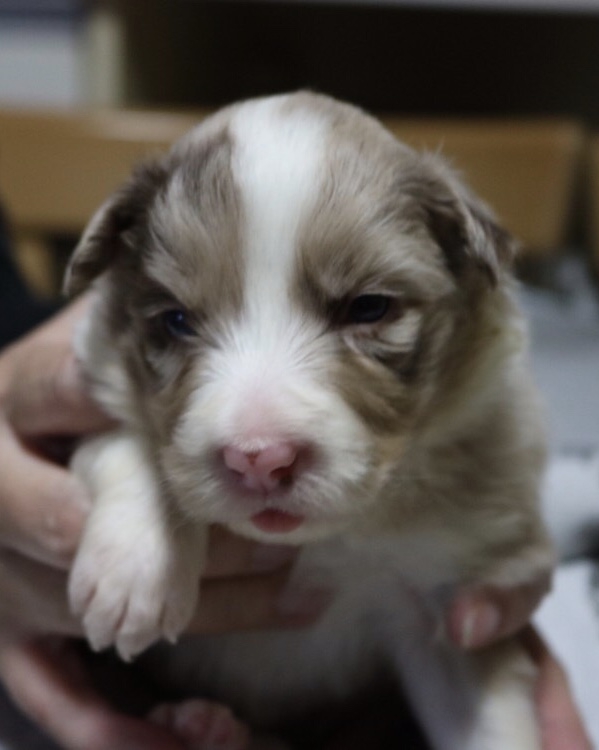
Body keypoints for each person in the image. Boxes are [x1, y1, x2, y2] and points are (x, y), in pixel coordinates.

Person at [0, 211, 591, 750]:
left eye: (366, 310)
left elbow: (459, 641)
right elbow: (97, 414)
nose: (259, 448)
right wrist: (133, 492)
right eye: (180, 322)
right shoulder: (127, 342)